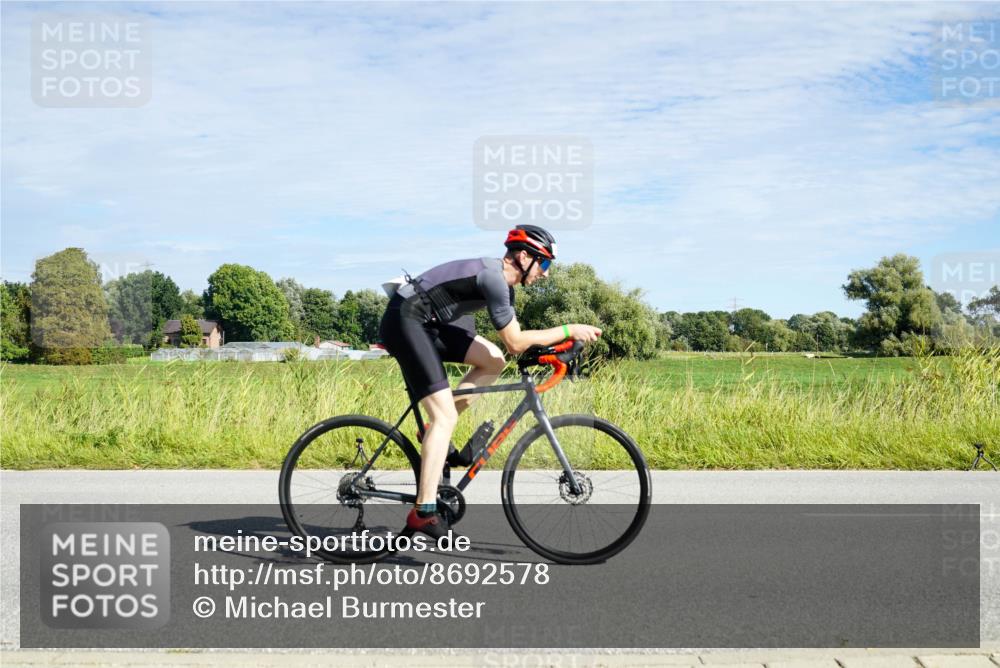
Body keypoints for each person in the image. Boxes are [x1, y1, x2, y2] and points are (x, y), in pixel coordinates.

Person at [378, 224, 602, 541]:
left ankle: (433, 432)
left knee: (493, 360)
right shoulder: (495, 279)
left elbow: (512, 347)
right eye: (546, 263)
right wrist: (569, 330)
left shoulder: (504, 286)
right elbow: (517, 341)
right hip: (407, 320)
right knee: (445, 416)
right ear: (524, 257)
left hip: (427, 322)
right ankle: (423, 512)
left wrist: (552, 349)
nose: (547, 273)